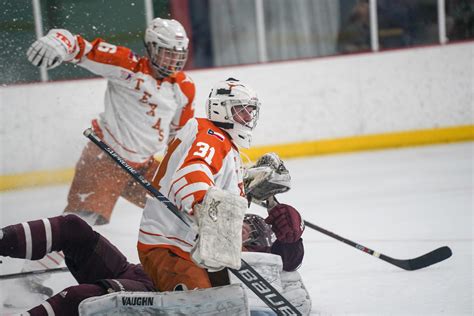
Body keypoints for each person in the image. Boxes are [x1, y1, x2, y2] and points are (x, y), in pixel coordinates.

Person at [10, 17, 196, 308]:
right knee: (81, 221)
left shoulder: (183, 88)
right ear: (150, 48)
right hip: (106, 158)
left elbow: (180, 136)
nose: (173, 59)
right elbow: (84, 48)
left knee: (178, 211)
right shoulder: (128, 66)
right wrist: (60, 40)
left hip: (143, 165)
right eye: (166, 51)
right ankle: (27, 284)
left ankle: (179, 273)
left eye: (178, 53)